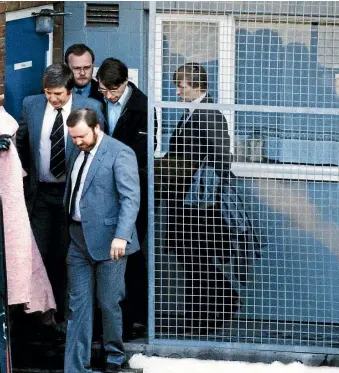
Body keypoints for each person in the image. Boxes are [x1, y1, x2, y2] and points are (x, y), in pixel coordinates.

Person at [16, 64, 105, 329]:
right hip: (41, 194)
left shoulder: (89, 107)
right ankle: (39, 316)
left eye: (58, 94)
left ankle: (70, 318)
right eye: (48, 93)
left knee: (69, 256)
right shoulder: (31, 105)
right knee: (38, 254)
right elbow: (21, 141)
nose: (52, 99)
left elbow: (99, 151)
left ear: (70, 89)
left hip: (72, 194)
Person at [158, 62, 240, 335]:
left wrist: (196, 175)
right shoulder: (193, 112)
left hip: (199, 203)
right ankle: (219, 305)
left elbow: (221, 159)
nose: (177, 91)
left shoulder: (208, 114)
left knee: (196, 257)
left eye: (181, 85)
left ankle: (205, 318)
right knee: (191, 257)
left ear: (196, 85)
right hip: (186, 200)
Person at [63, 108, 140, 373]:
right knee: (78, 306)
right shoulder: (76, 148)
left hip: (111, 242)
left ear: (96, 128)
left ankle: (114, 358)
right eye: (73, 137)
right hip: (78, 238)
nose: (77, 142)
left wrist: (121, 236)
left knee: (109, 303)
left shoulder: (120, 153)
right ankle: (76, 367)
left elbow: (130, 199)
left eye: (81, 136)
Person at [96, 57, 155, 339]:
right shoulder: (97, 103)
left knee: (131, 252)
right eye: (103, 91)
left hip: (131, 187)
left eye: (112, 92)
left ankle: (134, 316)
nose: (107, 96)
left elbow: (143, 151)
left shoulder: (143, 107)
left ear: (124, 84)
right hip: (102, 190)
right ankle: (106, 318)